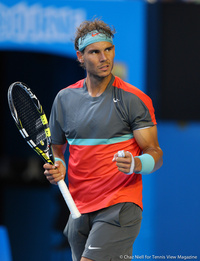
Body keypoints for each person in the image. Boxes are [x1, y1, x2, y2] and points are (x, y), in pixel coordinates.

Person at [43, 19, 163, 261]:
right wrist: (59, 164)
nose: (104, 57)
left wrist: (136, 164)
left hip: (120, 206)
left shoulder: (134, 100)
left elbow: (155, 153)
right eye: (95, 52)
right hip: (79, 210)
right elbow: (57, 148)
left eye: (108, 49)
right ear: (80, 56)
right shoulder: (64, 99)